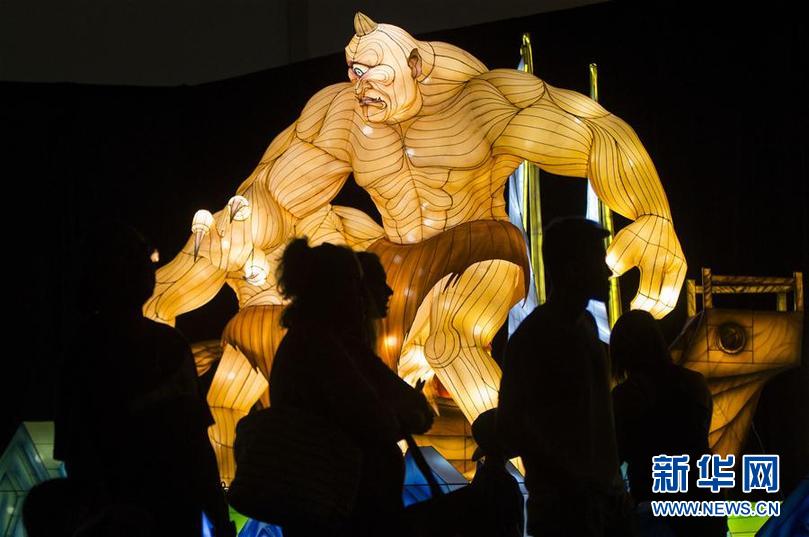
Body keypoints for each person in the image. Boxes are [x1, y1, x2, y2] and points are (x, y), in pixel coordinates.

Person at [151, 10, 686, 429]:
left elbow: (594, 131)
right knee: (326, 250)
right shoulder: (345, 115)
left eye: (373, 72)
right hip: (398, 257)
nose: (361, 86)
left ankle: (518, 467)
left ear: (412, 65)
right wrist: (182, 282)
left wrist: (652, 214)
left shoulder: (478, 102)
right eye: (354, 72)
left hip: (479, 243)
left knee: (451, 337)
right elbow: (267, 196)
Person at [53, 223, 234, 537]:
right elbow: (195, 442)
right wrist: (218, 517)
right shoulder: (164, 346)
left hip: (139, 514)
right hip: (160, 513)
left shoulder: (82, 349)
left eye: (147, 258)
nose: (149, 267)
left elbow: (75, 451)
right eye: (139, 259)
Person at [269, 241, 432, 537]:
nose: (362, 296)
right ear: (335, 290)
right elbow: (370, 415)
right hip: (346, 513)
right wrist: (406, 417)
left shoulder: (314, 341)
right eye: (356, 285)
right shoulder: (324, 347)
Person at [498, 217, 631, 537]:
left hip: (597, 506)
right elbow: (513, 427)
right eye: (598, 259)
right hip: (567, 513)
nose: (608, 272)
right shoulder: (537, 338)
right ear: (572, 269)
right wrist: (578, 480)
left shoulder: (581, 328)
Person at [611, 309, 727, 536]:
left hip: (656, 512)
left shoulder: (627, 395)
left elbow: (614, 455)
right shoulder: (696, 384)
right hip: (705, 504)